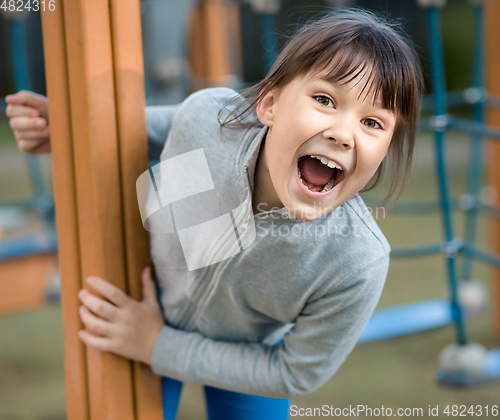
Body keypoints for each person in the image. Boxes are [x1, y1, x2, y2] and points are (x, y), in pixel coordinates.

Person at [5, 9, 422, 420]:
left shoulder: (356, 260)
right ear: (270, 104)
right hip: (145, 301)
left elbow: (296, 370)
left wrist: (158, 345)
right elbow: (141, 129)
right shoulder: (209, 121)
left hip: (244, 352)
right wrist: (65, 129)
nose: (342, 133)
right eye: (325, 99)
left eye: (372, 122)